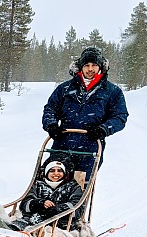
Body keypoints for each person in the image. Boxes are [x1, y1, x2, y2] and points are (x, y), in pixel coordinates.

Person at [43, 46, 129, 185]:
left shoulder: (112, 91)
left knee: (80, 187)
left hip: (90, 147)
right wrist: (51, 125)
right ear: (80, 67)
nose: (90, 69)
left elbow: (120, 116)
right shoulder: (65, 89)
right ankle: (41, 206)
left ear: (100, 66)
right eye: (86, 65)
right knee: (52, 182)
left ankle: (76, 207)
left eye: (94, 65)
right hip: (62, 144)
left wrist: (103, 129)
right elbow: (50, 109)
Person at [0, 155, 93, 237]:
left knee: (43, 230)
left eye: (59, 171)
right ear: (47, 172)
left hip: (60, 222)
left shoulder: (73, 186)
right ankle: (4, 228)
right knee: (21, 223)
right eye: (52, 171)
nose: (56, 174)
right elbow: (25, 204)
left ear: (64, 173)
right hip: (33, 218)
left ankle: (20, 235)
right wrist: (38, 203)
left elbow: (77, 207)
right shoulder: (38, 185)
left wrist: (56, 209)